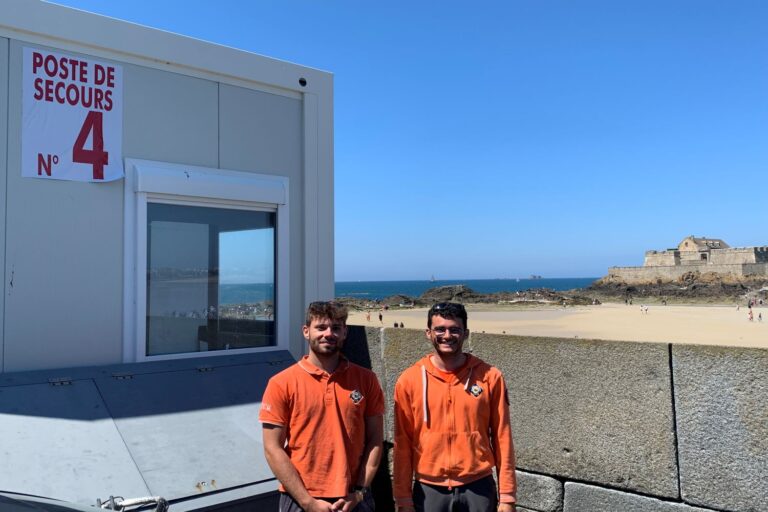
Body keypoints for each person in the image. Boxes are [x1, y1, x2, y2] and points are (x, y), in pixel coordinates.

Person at [260, 301, 385, 511]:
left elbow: (375, 440)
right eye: (321, 327)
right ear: (306, 331)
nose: (329, 334)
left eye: (336, 328)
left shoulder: (367, 379)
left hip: (353, 497)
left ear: (345, 332)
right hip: (301, 498)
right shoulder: (281, 383)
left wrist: (359, 492)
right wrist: (307, 501)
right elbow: (272, 448)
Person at [393, 302, 517, 511]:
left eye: (454, 329)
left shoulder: (490, 376)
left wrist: (507, 496)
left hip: (479, 486)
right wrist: (402, 498)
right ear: (428, 333)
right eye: (440, 329)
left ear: (465, 333)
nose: (447, 335)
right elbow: (402, 443)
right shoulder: (409, 379)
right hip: (428, 488)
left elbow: (502, 437)